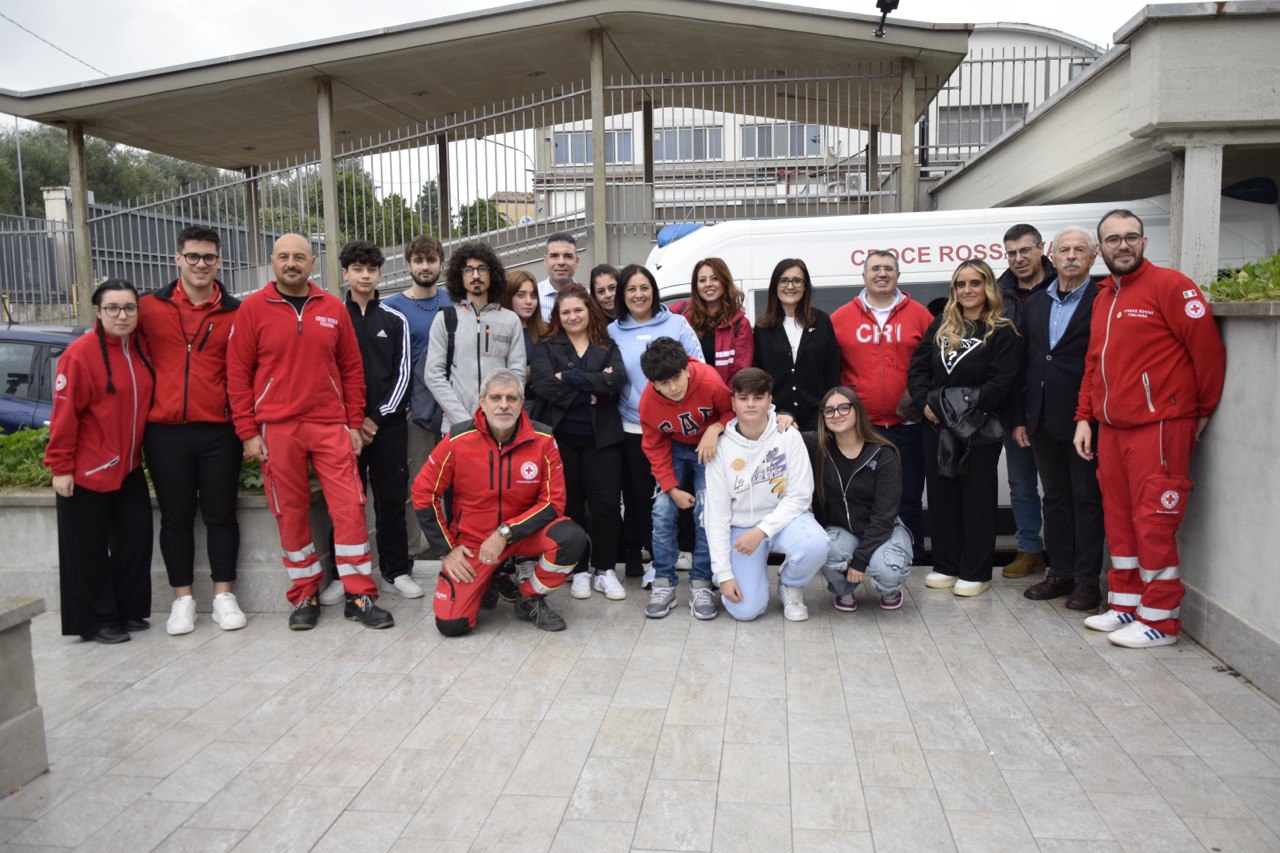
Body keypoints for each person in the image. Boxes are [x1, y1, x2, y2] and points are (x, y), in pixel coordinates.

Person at [226, 233, 393, 630]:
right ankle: (304, 595)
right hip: (277, 428)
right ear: (272, 261)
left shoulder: (332, 308)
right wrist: (248, 431)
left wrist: (354, 423)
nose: (291, 263)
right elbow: (236, 374)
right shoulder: (252, 309)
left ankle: (359, 594)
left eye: (299, 257)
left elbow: (352, 370)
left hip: (330, 425)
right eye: (283, 257)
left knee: (350, 507)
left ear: (313, 262)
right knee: (290, 512)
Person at [1075, 209, 1225, 648]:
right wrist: (1084, 416)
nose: (1123, 245)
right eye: (1113, 239)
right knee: (1119, 519)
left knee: (1153, 521)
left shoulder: (1171, 286)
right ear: (1099, 248)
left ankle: (1161, 618)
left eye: (1131, 237)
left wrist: (1200, 414)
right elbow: (1093, 364)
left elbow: (1209, 354)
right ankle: (1125, 605)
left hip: (1160, 426)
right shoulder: (1104, 295)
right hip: (1113, 429)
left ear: (1144, 242)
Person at [413, 369, 585, 635]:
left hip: (522, 533)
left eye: (511, 398)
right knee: (452, 625)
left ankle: (529, 598)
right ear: (482, 401)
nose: (503, 405)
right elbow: (424, 493)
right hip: (473, 541)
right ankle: (490, 579)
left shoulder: (543, 440)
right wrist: (446, 550)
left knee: (571, 538)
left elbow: (553, 502)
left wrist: (505, 533)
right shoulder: (457, 440)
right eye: (495, 398)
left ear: (521, 401)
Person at [137, 226, 245, 636]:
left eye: (209, 258)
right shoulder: (148, 307)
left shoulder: (236, 311)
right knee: (176, 518)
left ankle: (223, 596)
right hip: (164, 431)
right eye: (193, 256)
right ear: (177, 258)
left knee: (221, 515)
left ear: (219, 262)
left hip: (220, 430)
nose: (201, 264)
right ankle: (182, 600)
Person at [45, 280, 155, 644]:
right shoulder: (79, 354)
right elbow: (64, 416)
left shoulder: (138, 349)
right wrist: (60, 467)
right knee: (88, 550)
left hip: (128, 468)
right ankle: (97, 620)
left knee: (135, 541)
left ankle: (127, 610)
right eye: (113, 308)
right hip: (87, 471)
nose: (122, 315)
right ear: (97, 311)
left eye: (129, 308)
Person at [908, 260, 1021, 597]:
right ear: (953, 290)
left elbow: (1001, 382)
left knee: (977, 499)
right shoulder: (942, 324)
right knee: (942, 498)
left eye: (975, 283)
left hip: (978, 429)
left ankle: (976, 571)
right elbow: (918, 368)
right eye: (961, 284)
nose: (968, 290)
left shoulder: (1003, 329)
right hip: (936, 426)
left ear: (988, 287)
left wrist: (959, 408)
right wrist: (924, 402)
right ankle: (946, 565)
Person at [325, 241, 421, 602]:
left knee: (392, 502)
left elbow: (403, 375)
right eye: (357, 269)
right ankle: (344, 575)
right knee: (346, 505)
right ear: (345, 273)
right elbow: (327, 373)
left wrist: (374, 419)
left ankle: (396, 572)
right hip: (343, 429)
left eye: (371, 269)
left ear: (380, 273)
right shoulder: (333, 316)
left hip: (388, 427)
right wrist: (350, 422)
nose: (365, 276)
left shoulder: (395, 319)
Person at [1014, 227, 1104, 612]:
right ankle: (1060, 572)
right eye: (1064, 249)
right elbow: (1026, 362)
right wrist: (1021, 417)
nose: (1070, 255)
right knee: (1054, 498)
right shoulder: (1036, 302)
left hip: (1085, 421)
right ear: (1051, 254)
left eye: (1079, 249)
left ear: (1093, 256)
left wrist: (1089, 414)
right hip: (1042, 419)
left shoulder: (1103, 301)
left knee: (1086, 499)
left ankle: (1086, 581)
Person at [831, 250, 933, 562]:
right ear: (864, 276)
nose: (882, 273)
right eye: (875, 268)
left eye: (889, 268)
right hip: (862, 430)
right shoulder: (840, 318)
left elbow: (934, 364)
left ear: (898, 275)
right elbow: (831, 371)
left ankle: (910, 562)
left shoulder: (919, 314)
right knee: (864, 500)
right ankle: (870, 560)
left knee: (909, 498)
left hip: (909, 427)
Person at [607, 264, 705, 579]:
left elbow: (697, 367)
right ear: (623, 295)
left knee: (681, 491)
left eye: (644, 287)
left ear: (654, 290)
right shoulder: (612, 331)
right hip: (634, 427)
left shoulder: (677, 323)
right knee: (641, 495)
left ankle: (686, 551)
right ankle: (654, 558)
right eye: (631, 289)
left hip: (679, 429)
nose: (639, 295)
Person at [705, 368, 827, 622]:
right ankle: (733, 574)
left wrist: (761, 531)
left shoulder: (788, 435)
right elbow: (716, 514)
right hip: (740, 529)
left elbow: (801, 496)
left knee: (816, 544)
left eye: (758, 397)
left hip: (784, 520)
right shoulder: (721, 446)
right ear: (733, 402)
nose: (751, 404)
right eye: (743, 398)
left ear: (770, 400)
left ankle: (790, 584)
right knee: (745, 610)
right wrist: (725, 575)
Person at [531, 284, 627, 600]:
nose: (573, 316)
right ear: (558, 316)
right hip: (562, 440)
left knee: (607, 506)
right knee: (569, 506)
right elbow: (544, 386)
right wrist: (593, 388)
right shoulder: (547, 346)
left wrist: (569, 379)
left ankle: (605, 569)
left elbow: (615, 382)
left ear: (589, 312)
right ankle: (580, 569)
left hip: (602, 440)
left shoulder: (606, 344)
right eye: (566, 311)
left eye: (578, 310)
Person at [639, 337, 734, 620]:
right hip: (673, 448)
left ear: (687, 368)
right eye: (664, 383)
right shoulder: (648, 402)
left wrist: (715, 427)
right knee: (662, 511)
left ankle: (701, 582)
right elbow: (654, 446)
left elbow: (733, 410)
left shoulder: (708, 380)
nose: (673, 387)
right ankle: (664, 581)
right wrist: (671, 488)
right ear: (653, 383)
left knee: (706, 513)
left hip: (709, 445)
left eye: (677, 377)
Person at [806, 387, 913, 612]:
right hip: (843, 531)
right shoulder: (818, 448)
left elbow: (884, 516)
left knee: (887, 571)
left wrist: (859, 561)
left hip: (884, 530)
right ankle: (844, 591)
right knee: (825, 547)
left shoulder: (883, 453)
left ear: (857, 411)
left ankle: (891, 590)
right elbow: (783, 435)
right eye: (829, 411)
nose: (837, 414)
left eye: (844, 407)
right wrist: (783, 416)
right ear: (823, 417)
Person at [383, 234, 452, 557]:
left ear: (441, 263)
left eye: (431, 260)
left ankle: (455, 542)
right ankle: (412, 551)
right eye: (419, 261)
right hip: (414, 409)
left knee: (459, 480)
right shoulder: (392, 307)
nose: (426, 267)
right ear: (409, 264)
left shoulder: (454, 301)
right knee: (418, 480)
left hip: (453, 405)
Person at [998, 224, 1055, 580]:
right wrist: (1015, 415)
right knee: (1021, 483)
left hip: (1055, 405)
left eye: (1025, 250)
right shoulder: (1000, 293)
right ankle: (1030, 549)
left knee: (1059, 488)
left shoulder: (1063, 284)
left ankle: (1066, 553)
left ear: (1041, 249)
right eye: (1011, 253)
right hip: (1015, 406)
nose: (1018, 259)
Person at [423, 241, 526, 431]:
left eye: (482, 269)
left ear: (492, 273)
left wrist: (501, 414)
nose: (476, 275)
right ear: (459, 275)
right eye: (468, 270)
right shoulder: (445, 319)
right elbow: (433, 375)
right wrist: (463, 420)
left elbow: (517, 374)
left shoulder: (510, 320)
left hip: (500, 426)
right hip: (456, 426)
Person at [752, 258, 839, 430]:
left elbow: (833, 372)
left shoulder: (821, 321)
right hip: (777, 423)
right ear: (775, 286)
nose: (790, 286)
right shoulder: (762, 328)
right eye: (784, 280)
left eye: (797, 280)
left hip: (819, 423)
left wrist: (831, 411)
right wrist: (773, 412)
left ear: (805, 286)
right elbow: (759, 378)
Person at [675, 257, 753, 384]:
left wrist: (722, 400)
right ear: (696, 286)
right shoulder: (682, 313)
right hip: (688, 399)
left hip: (723, 400)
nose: (708, 284)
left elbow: (740, 375)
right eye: (702, 280)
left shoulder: (740, 324)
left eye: (714, 278)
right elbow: (654, 313)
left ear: (725, 281)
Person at [500, 269, 549, 398]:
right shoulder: (498, 331)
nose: (529, 301)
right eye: (521, 295)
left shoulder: (547, 330)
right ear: (507, 296)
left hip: (544, 406)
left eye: (533, 295)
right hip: (510, 403)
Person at [537, 232, 582, 322]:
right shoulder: (533, 298)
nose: (561, 262)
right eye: (554, 256)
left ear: (576, 262)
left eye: (568, 256)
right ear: (545, 261)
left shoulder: (589, 297)